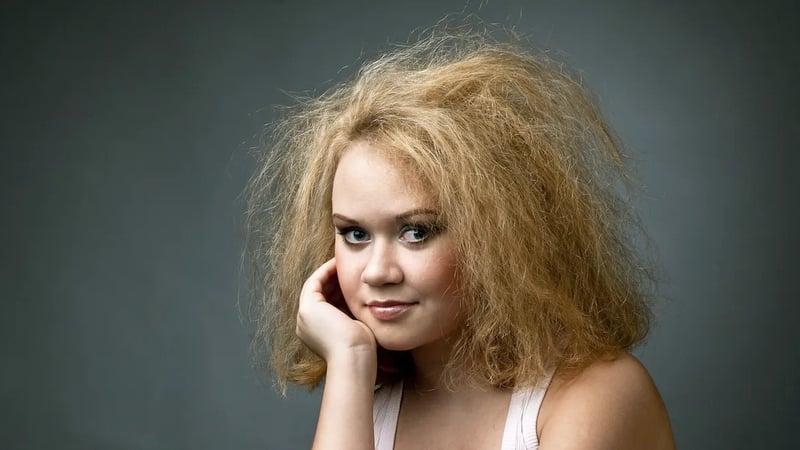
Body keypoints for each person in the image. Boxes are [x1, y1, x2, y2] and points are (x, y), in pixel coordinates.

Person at [246, 28, 676, 450]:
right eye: (355, 234)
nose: (377, 272)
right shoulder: (360, 412)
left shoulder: (600, 396)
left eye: (416, 231)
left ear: (499, 238)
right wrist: (351, 360)